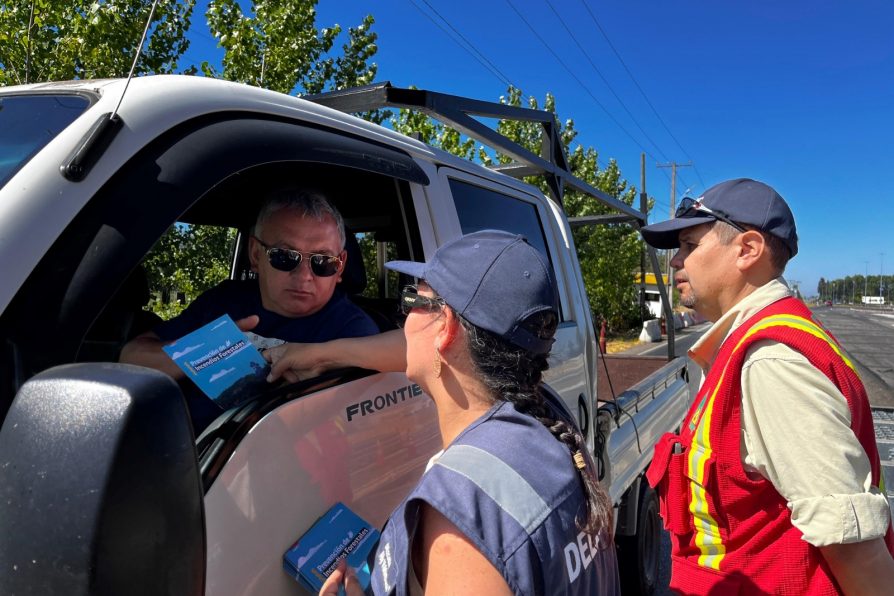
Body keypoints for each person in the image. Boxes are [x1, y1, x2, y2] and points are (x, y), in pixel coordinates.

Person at [268, 230, 619, 595]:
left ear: (446, 327)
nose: (403, 322)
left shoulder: (463, 514)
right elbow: (410, 348)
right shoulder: (545, 414)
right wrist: (317, 354)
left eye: (412, 301)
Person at [639, 178, 894, 594]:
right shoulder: (754, 341)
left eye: (688, 245)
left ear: (747, 250)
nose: (675, 262)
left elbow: (854, 550)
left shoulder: (771, 361)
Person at [120, 188, 378, 428]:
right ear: (255, 255)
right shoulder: (225, 301)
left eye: (322, 261)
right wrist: (206, 351)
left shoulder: (354, 335)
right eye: (285, 256)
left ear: (340, 266)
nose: (304, 276)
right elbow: (132, 357)